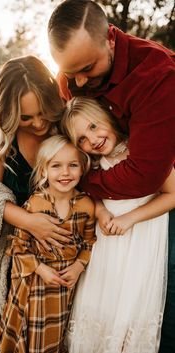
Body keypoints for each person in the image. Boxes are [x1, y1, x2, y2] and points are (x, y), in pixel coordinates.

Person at [48, 1, 175, 352]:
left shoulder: (156, 74)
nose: (79, 82)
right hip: (110, 216)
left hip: (157, 192)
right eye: (69, 73)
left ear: (111, 41)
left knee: (158, 285)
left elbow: (147, 174)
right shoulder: (72, 76)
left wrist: (82, 182)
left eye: (87, 68)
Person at [0, 55, 72, 346]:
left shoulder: (64, 120)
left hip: (66, 237)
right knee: (22, 319)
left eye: (43, 112)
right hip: (17, 240)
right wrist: (31, 222)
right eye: (26, 118)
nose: (38, 123)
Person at [60, 96, 175, 353]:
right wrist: (100, 210)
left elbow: (173, 194)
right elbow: (93, 193)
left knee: (132, 303)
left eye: (93, 126)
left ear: (107, 116)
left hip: (142, 240)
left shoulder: (143, 151)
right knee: (102, 299)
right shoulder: (94, 162)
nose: (93, 140)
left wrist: (130, 218)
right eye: (82, 139)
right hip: (107, 245)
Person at [0, 134, 96, 353]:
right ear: (44, 170)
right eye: (56, 166)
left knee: (52, 330)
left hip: (63, 285)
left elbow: (88, 242)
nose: (65, 173)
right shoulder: (36, 204)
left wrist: (78, 266)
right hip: (35, 281)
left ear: (82, 168)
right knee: (27, 327)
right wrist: (40, 268)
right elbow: (18, 245)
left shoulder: (86, 205)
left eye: (73, 165)